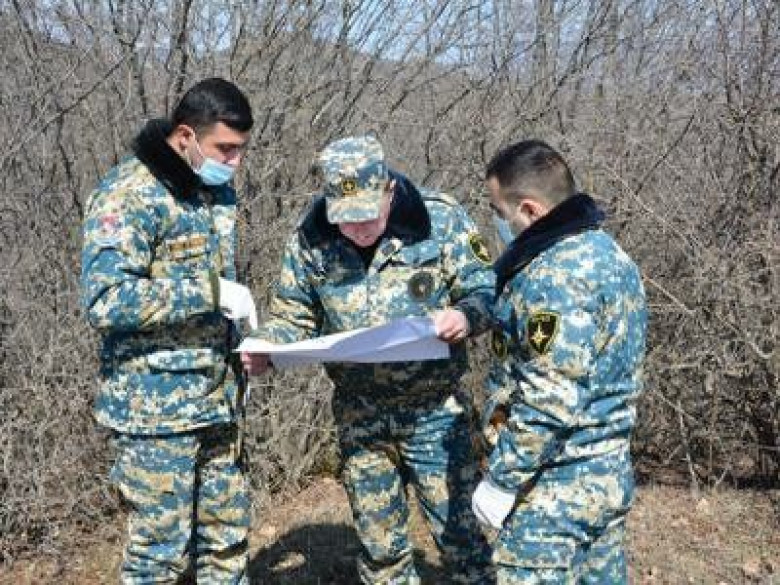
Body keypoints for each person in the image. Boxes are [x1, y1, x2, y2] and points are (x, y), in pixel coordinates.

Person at [243, 135, 495, 584]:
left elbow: (486, 290)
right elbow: (293, 315)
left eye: (366, 216)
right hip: (360, 415)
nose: (357, 229)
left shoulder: (440, 219)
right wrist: (268, 348)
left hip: (436, 413)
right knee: (381, 553)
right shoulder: (310, 240)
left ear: (389, 191)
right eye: (345, 219)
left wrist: (465, 316)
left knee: (463, 544)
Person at [81, 78, 256, 583]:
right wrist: (209, 292)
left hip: (217, 400)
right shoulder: (128, 194)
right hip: (155, 413)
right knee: (158, 558)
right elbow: (106, 299)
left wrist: (242, 342)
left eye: (241, 149)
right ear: (185, 136)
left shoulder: (212, 191)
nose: (235, 161)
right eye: (226, 148)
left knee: (226, 542)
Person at [472, 139, 647, 582]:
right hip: (606, 474)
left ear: (529, 210)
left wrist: (502, 480)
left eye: (498, 211)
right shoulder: (609, 254)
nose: (497, 222)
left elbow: (549, 398)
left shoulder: (553, 276)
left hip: (554, 491)